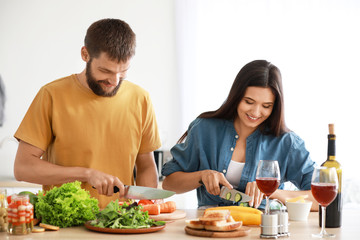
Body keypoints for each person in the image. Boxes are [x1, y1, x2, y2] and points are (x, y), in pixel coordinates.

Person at [13, 18, 161, 209]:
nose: (114, 81)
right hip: (65, 226)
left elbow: (147, 166)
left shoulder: (140, 98)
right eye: (105, 70)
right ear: (85, 54)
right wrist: (86, 174)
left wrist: (143, 209)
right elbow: (23, 168)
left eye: (123, 72)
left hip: (119, 223)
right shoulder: (51, 95)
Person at [161, 60, 318, 211]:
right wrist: (202, 176)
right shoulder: (204, 128)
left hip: (264, 225)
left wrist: (271, 192)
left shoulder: (287, 142)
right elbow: (169, 184)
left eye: (266, 106)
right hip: (211, 224)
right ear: (236, 97)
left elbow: (319, 200)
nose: (256, 112)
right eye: (249, 102)